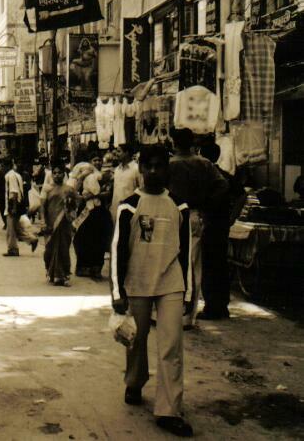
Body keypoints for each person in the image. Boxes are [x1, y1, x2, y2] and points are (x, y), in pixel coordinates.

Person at [111, 144, 194, 438]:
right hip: (138, 282)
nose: (154, 171)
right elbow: (118, 250)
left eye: (160, 166)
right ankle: (135, 382)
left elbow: (186, 254)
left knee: (171, 346)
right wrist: (117, 292)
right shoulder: (129, 206)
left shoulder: (179, 206)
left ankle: (168, 410)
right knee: (136, 338)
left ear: (167, 169)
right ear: (142, 169)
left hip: (170, 283)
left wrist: (188, 294)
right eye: (149, 166)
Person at [168, 128, 228, 328]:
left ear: (174, 143)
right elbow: (222, 186)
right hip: (195, 214)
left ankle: (168, 311)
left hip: (170, 214)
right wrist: (207, 203)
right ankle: (187, 316)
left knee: (169, 261)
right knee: (193, 265)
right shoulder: (204, 164)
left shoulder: (169, 165)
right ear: (192, 143)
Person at [198, 143, 245, 320]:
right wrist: (232, 217)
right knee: (220, 264)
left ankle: (212, 307)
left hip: (210, 223)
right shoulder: (224, 174)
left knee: (210, 265)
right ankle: (221, 306)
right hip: (220, 224)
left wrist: (231, 217)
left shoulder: (207, 176)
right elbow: (242, 195)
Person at [73, 153, 112, 279]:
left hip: (99, 211)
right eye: (94, 160)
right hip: (86, 210)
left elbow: (108, 193)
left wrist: (95, 195)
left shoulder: (105, 176)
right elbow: (75, 191)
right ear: (90, 162)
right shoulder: (83, 175)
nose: (97, 163)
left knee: (99, 239)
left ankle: (96, 268)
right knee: (82, 238)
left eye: (99, 160)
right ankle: (83, 267)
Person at [40, 162, 79, 286]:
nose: (57, 175)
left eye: (59, 173)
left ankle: (63, 275)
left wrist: (72, 216)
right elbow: (42, 206)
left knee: (63, 249)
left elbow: (76, 203)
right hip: (50, 224)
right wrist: (43, 222)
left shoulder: (69, 189)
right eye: (55, 173)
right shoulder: (47, 188)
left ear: (64, 174)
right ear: (52, 175)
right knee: (49, 250)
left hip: (64, 223)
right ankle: (52, 273)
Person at [3, 159, 38, 257]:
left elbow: (13, 192)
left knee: (11, 230)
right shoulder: (17, 175)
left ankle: (13, 249)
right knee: (16, 228)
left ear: (6, 166)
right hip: (18, 204)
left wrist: (13, 207)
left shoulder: (10, 176)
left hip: (13, 204)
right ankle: (32, 240)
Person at [111, 144, 141, 221]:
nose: (116, 154)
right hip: (115, 209)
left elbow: (141, 189)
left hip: (130, 210)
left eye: (119, 151)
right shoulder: (117, 169)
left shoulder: (136, 169)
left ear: (126, 153)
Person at [0, 159, 8, 229]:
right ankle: (6, 223)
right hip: (3, 194)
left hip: (4, 194)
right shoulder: (0, 172)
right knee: (3, 209)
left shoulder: (0, 172)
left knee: (3, 209)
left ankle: (6, 223)